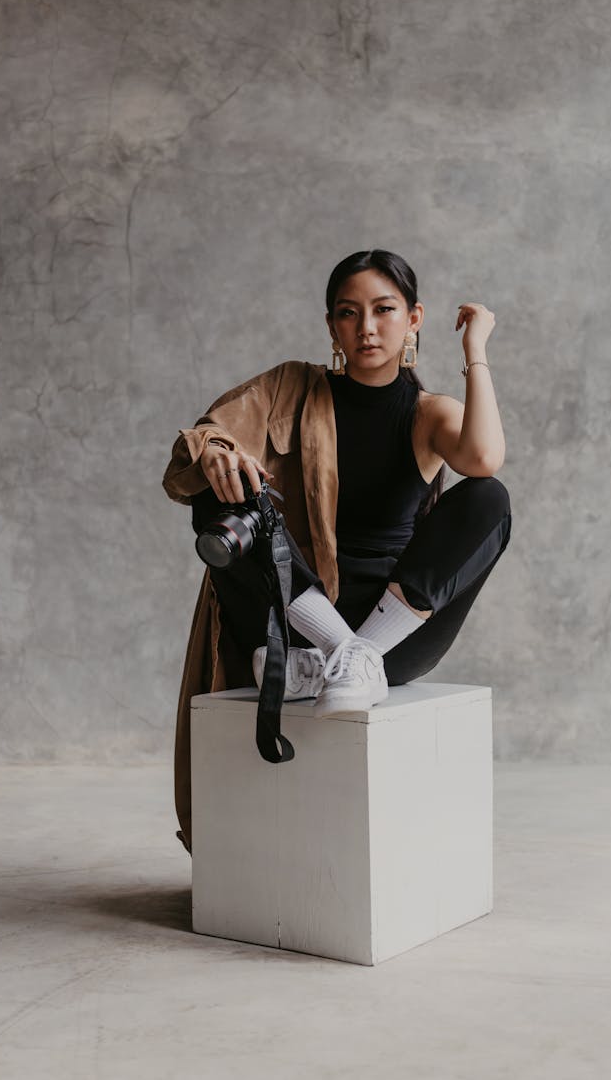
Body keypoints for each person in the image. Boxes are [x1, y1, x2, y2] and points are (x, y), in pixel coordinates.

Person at [163, 249, 512, 852]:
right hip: (293, 621)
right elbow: (201, 440)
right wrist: (219, 453)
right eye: (349, 313)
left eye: (384, 310)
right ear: (332, 326)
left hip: (396, 635)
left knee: (489, 499)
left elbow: (483, 459)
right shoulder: (291, 388)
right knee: (219, 493)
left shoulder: (427, 413)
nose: (367, 327)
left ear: (414, 318)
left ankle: (356, 656)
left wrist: (474, 350)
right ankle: (335, 650)